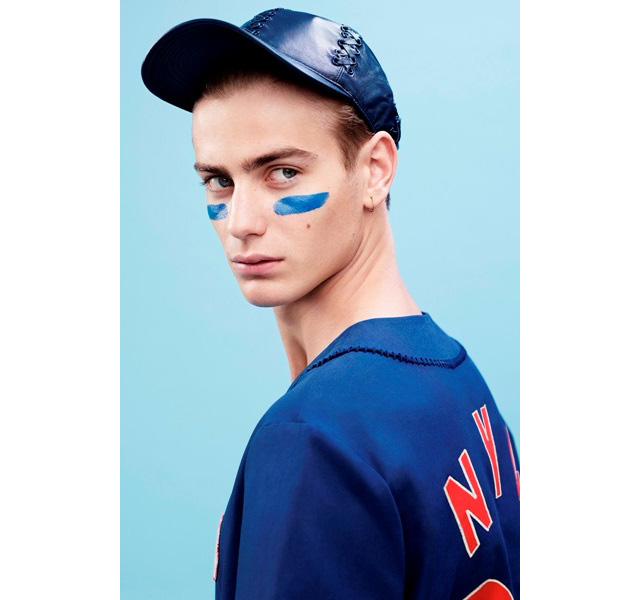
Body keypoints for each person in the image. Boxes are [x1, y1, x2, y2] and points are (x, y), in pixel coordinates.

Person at [141, 8, 519, 599]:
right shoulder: (459, 381)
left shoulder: (313, 438)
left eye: (282, 172)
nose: (240, 222)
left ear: (375, 170)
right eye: (219, 181)